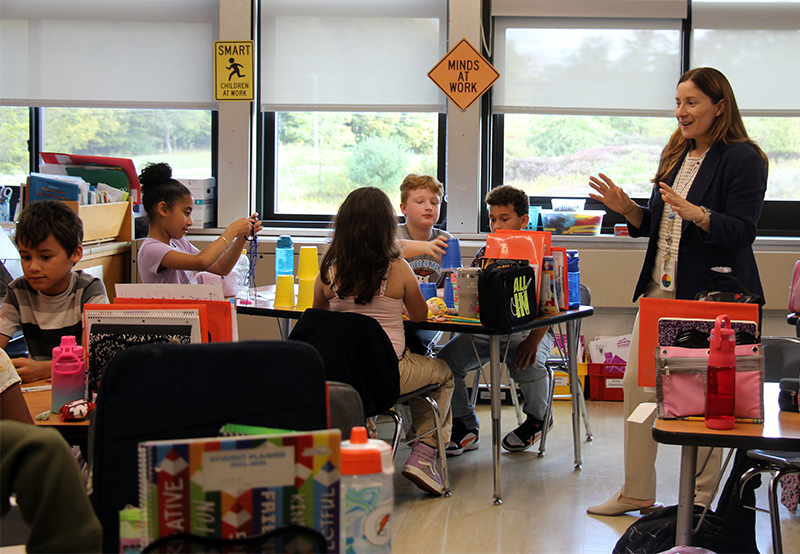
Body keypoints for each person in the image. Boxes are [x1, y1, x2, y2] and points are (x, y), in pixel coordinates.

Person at [586, 67, 768, 516]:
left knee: (709, 399)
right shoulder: (676, 152)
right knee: (635, 387)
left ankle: (700, 503)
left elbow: (742, 231)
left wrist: (700, 214)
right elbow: (660, 223)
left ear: (719, 106)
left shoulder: (744, 158)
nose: (681, 112)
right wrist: (628, 209)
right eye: (678, 102)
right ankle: (637, 490)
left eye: (692, 103)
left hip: (711, 297)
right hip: (659, 292)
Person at [313, 187, 454, 496]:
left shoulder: (328, 271)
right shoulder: (398, 269)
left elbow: (319, 322)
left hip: (343, 377)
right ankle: (424, 455)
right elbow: (419, 316)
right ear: (386, 227)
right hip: (388, 372)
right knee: (441, 372)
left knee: (372, 380)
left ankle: (362, 440)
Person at [437, 185, 554, 455]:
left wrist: (534, 341)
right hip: (486, 331)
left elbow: (550, 308)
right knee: (445, 363)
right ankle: (465, 424)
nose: (497, 225)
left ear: (523, 221)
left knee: (531, 366)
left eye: (505, 219)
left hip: (529, 333)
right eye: (492, 219)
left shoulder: (542, 254)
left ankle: (538, 419)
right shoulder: (486, 252)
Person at [0, 200, 109, 383]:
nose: (33, 267)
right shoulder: (17, 291)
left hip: (76, 387)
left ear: (75, 254)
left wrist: (47, 369)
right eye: (26, 257)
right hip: (36, 387)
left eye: (45, 257)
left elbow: (95, 360)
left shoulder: (89, 290)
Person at [136, 162, 262, 284]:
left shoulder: (178, 243)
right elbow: (202, 261)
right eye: (186, 213)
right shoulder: (151, 249)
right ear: (163, 210)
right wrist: (231, 231)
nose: (190, 222)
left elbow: (221, 268)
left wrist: (242, 237)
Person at [395, 173, 452, 286]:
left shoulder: (446, 240)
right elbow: (389, 249)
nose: (428, 207)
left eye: (434, 203)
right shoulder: (392, 234)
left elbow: (451, 287)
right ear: (404, 208)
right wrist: (426, 247)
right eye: (420, 202)